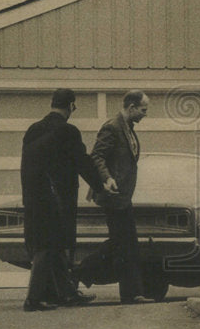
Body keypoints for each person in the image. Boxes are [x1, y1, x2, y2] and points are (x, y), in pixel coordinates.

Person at [20, 88, 115, 311]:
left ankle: (66, 294)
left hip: (35, 197)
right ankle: (33, 300)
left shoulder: (33, 130)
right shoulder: (68, 131)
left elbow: (25, 167)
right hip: (57, 199)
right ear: (71, 106)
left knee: (55, 247)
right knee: (48, 246)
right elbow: (82, 161)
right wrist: (101, 184)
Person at [88, 90, 149, 304]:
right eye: (143, 110)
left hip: (123, 197)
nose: (145, 114)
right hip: (112, 196)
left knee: (125, 243)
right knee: (122, 243)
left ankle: (131, 293)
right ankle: (80, 274)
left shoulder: (128, 128)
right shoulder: (112, 127)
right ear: (131, 107)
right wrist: (107, 178)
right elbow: (97, 156)